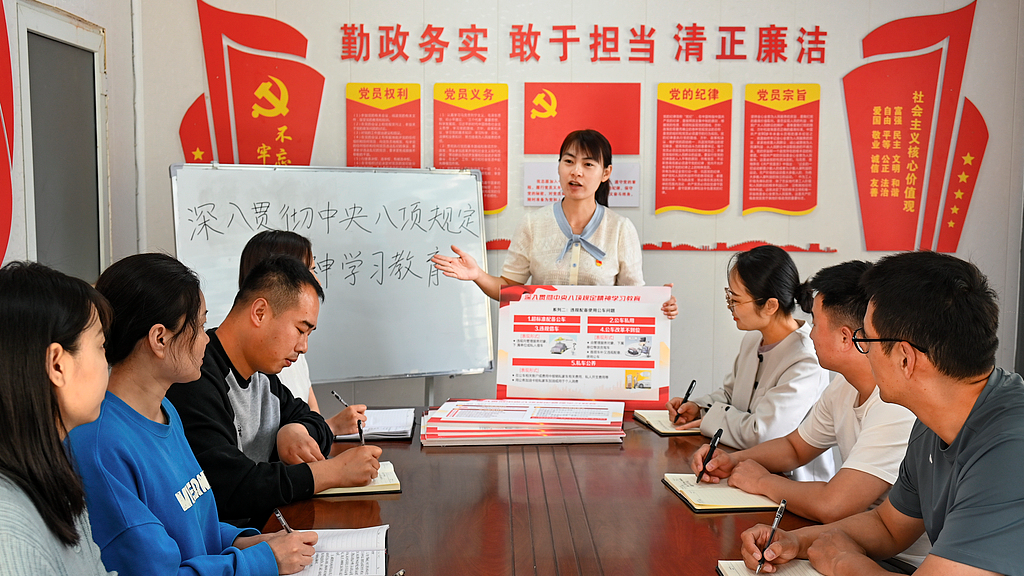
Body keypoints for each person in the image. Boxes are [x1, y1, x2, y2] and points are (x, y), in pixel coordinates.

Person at [741, 251, 1024, 576]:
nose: (864, 353)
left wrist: (841, 562)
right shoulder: (931, 422)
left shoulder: (1009, 449)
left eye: (868, 341)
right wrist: (794, 541)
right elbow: (888, 525)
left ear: (905, 359)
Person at [68, 253, 317, 575]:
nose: (205, 339)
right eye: (199, 326)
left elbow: (197, 526)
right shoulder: (101, 445)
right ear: (160, 338)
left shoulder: (165, 410)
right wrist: (262, 560)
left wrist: (253, 543)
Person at [688, 261, 927, 567]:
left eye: (814, 322)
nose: (809, 333)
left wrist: (762, 481)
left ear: (845, 337)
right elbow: (794, 447)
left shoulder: (897, 405)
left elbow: (834, 504)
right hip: (851, 541)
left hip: (897, 561)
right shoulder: (844, 385)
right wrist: (733, 460)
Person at [166, 255, 382, 527]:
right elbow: (231, 486)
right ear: (259, 312)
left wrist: (294, 430)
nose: (303, 346)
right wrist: (332, 472)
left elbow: (311, 419)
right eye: (300, 330)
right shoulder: (196, 377)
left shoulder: (262, 376)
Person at [431, 128, 677, 318]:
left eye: (588, 164)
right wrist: (478, 275)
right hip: (545, 353)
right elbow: (509, 288)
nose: (576, 171)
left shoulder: (620, 229)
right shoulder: (533, 224)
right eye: (568, 161)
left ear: (605, 173)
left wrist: (660, 304)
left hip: (601, 354)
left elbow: (634, 299)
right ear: (559, 166)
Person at [668, 245, 833, 481]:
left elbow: (763, 433)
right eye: (729, 296)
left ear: (770, 306)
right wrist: (698, 407)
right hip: (745, 469)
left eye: (735, 299)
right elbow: (731, 395)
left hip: (792, 485)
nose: (730, 307)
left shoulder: (805, 358)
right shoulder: (753, 339)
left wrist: (710, 418)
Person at [0, 261, 113, 576]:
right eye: (102, 346)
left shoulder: (52, 475)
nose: (109, 364)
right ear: (57, 365)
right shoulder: (7, 531)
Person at [238, 229, 366, 435]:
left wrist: (323, 431)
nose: (318, 283)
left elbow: (311, 417)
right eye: (309, 272)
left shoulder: (294, 350)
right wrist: (330, 428)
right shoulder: (254, 366)